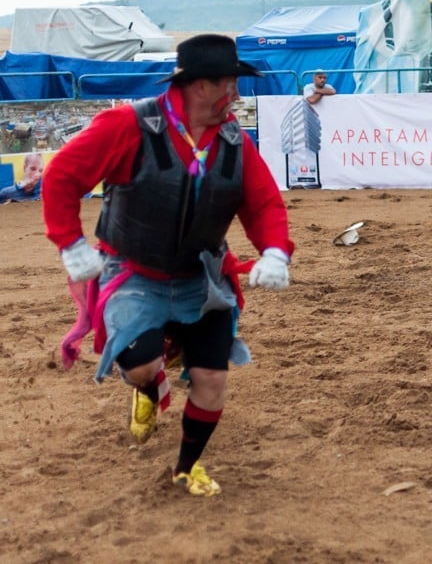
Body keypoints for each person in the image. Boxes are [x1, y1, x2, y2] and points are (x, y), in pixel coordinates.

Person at [42, 34, 295, 497]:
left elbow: (262, 204)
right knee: (141, 367)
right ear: (201, 86)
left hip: (203, 278)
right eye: (229, 84)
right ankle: (146, 388)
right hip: (135, 273)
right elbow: (62, 175)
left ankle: (186, 467)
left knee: (212, 379)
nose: (235, 95)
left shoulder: (235, 142)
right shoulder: (128, 126)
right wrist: (71, 244)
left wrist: (276, 249)